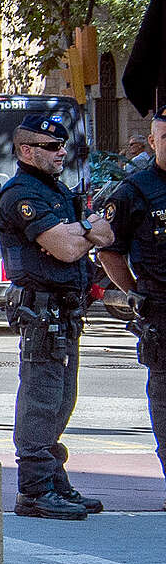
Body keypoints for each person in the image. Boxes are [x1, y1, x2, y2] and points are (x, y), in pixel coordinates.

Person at [0, 114, 109, 521]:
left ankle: (53, 479)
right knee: (41, 399)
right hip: (41, 310)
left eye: (63, 146)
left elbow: (104, 236)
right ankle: (35, 488)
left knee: (62, 398)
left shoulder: (54, 190)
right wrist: (86, 228)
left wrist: (85, 231)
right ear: (27, 150)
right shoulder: (21, 194)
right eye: (51, 146)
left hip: (65, 308)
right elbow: (65, 247)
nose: (61, 152)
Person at [97, 104, 166, 484]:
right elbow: (109, 250)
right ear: (153, 142)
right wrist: (134, 292)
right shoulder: (134, 192)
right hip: (161, 309)